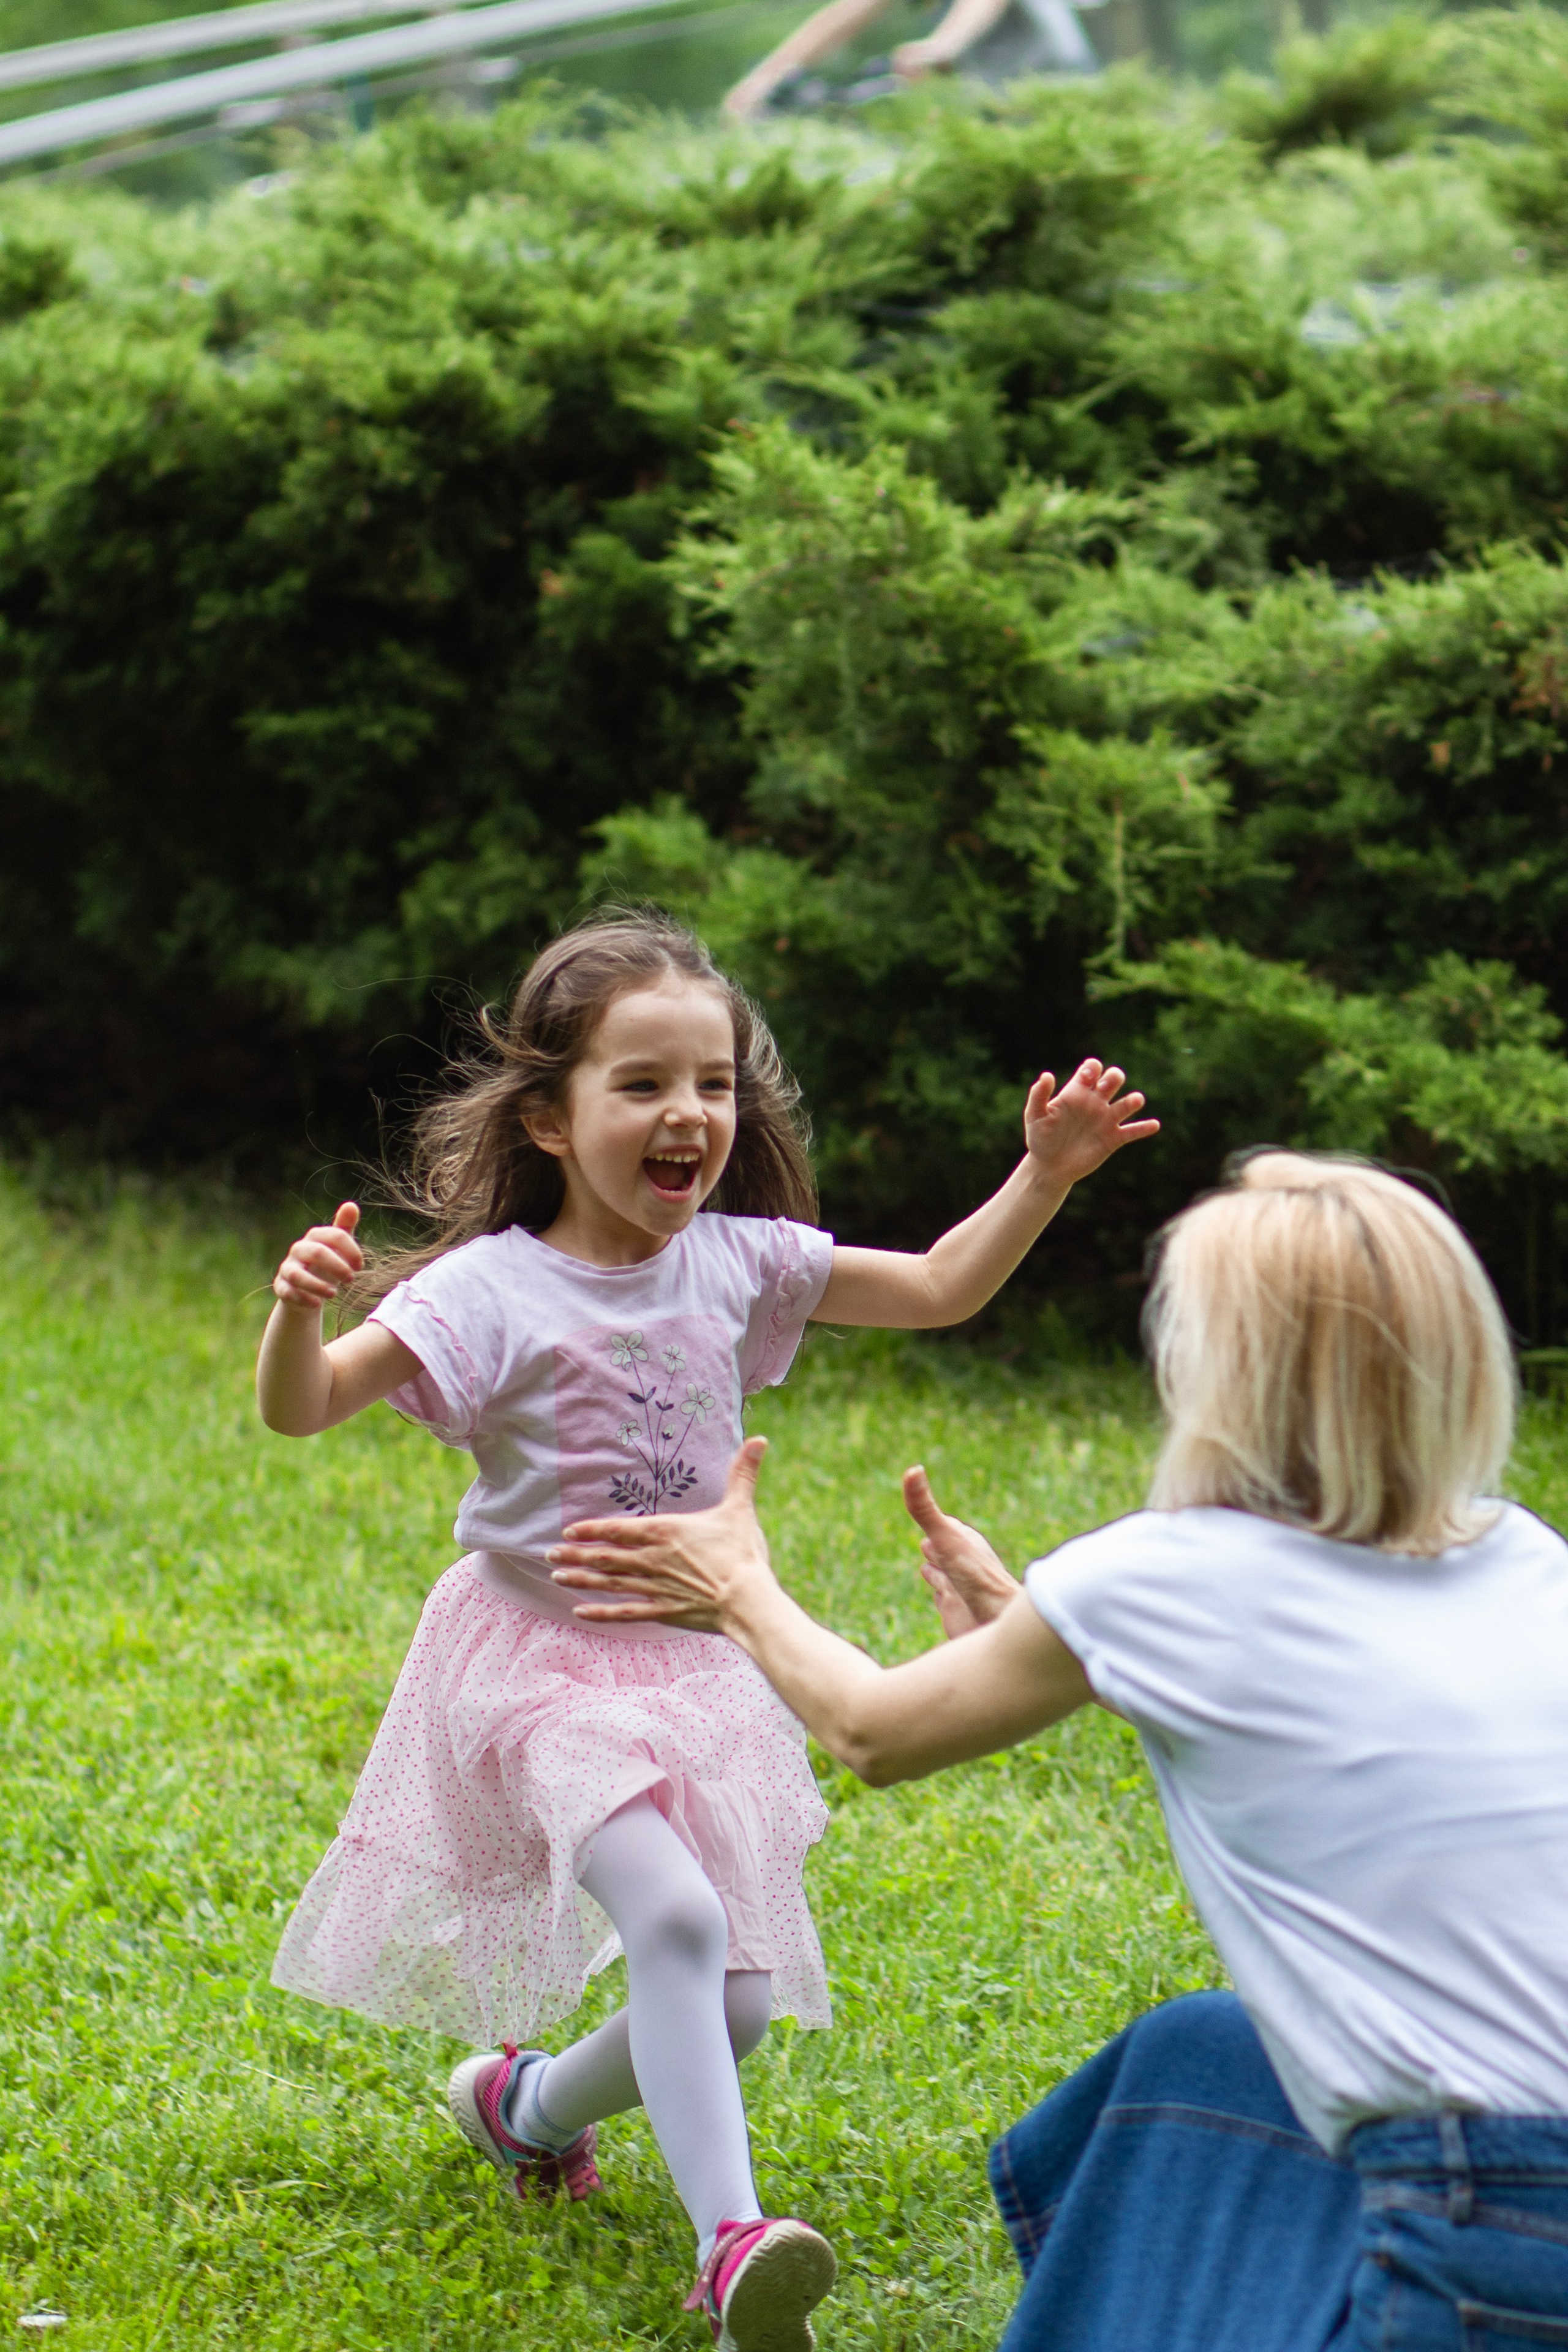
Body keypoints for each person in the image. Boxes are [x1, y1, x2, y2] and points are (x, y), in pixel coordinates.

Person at [255, 908, 1155, 2352]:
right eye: (642, 1085)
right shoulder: (485, 1291)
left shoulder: (737, 1263)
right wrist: (297, 1317)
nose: (690, 1114)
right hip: (533, 1668)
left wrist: (1043, 1176)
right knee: (673, 1915)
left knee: (728, 2006)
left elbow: (935, 1289)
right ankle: (729, 2243)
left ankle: (523, 2107)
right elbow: (303, 1408)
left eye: (715, 1083)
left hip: (690, 1661)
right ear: (547, 1118)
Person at [549, 1150, 1568, 2351]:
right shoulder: (1526, 1561)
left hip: (1480, 2236)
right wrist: (1043, 1639)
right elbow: (1344, 1736)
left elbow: (870, 1730)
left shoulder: (1167, 1573)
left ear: (1220, 1370)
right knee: (1196, 2053)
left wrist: (737, 1583)